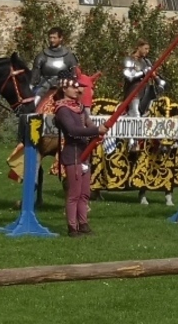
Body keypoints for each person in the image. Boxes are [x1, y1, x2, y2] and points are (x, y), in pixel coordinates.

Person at [52, 76, 105, 237]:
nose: (78, 90)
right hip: (73, 154)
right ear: (65, 89)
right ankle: (72, 227)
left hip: (84, 152)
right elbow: (73, 130)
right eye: (74, 87)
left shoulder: (80, 107)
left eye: (78, 87)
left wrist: (97, 129)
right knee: (74, 194)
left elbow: (88, 124)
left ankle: (83, 224)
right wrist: (96, 131)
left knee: (84, 193)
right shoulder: (62, 110)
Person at [30, 27, 79, 96]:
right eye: (50, 37)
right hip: (44, 87)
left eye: (54, 38)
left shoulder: (69, 56)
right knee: (35, 103)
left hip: (64, 87)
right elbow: (35, 75)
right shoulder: (42, 56)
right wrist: (31, 86)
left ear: (61, 38)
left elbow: (75, 74)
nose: (52, 40)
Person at [122, 40, 153, 118]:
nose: (147, 51)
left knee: (145, 116)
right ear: (139, 47)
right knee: (135, 115)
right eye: (145, 48)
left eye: (148, 49)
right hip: (134, 92)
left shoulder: (147, 62)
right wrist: (143, 72)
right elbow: (129, 77)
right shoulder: (129, 60)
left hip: (146, 92)